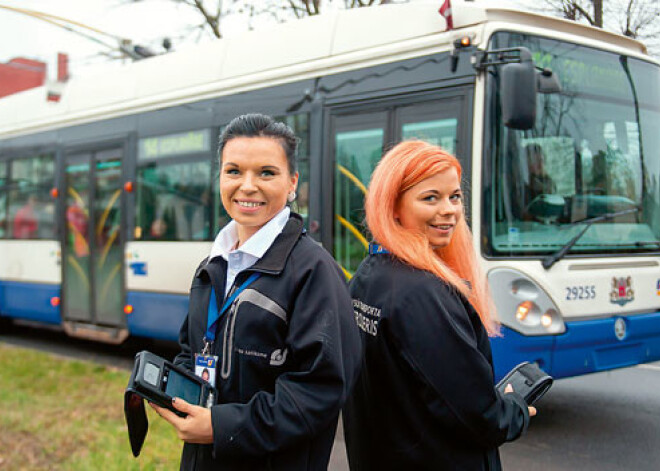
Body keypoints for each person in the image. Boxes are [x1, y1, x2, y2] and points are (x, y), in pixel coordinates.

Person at [150, 113, 360, 471]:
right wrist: (174, 389)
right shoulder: (213, 264)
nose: (247, 186)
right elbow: (192, 348)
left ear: (292, 182)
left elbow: (320, 392)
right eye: (234, 171)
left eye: (266, 173)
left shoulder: (314, 270)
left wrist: (220, 426)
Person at [342, 140, 535, 470]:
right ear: (394, 207)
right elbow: (479, 417)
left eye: (455, 196)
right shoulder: (423, 293)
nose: (450, 210)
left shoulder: (368, 274)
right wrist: (515, 407)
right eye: (430, 198)